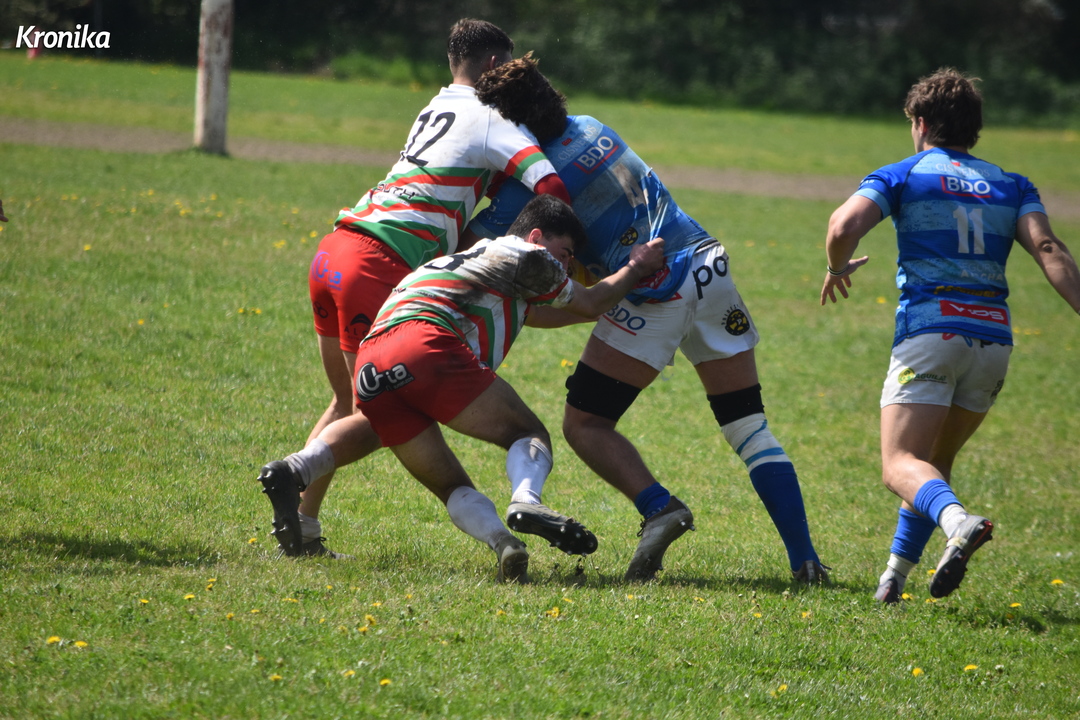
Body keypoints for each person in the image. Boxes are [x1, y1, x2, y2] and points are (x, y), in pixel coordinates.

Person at [468, 56, 830, 583]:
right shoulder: (592, 127)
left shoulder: (532, 180)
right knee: (748, 425)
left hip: (653, 290)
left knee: (585, 424)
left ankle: (660, 508)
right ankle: (806, 561)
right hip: (706, 262)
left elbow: (472, 248)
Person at [259, 19, 570, 557]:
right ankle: (293, 476)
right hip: (380, 261)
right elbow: (551, 187)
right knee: (384, 403)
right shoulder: (492, 117)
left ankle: (302, 528)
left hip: (335, 251)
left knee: (350, 401)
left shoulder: (436, 106)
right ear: (494, 65)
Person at [266, 195, 664, 581]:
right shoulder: (528, 255)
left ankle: (294, 469)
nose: (567, 266)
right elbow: (589, 301)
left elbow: (546, 313)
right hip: (427, 344)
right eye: (565, 254)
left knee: (445, 481)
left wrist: (598, 308)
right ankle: (527, 501)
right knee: (528, 433)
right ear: (536, 237)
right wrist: (636, 266)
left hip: (373, 356)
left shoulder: (473, 261)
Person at [820, 68, 1080, 603]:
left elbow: (843, 226)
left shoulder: (904, 174)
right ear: (974, 129)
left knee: (899, 464)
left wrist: (837, 266)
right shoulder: (1013, 184)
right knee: (932, 463)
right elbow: (1048, 248)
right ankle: (893, 580)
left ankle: (958, 523)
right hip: (994, 342)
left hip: (932, 333)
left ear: (920, 123)